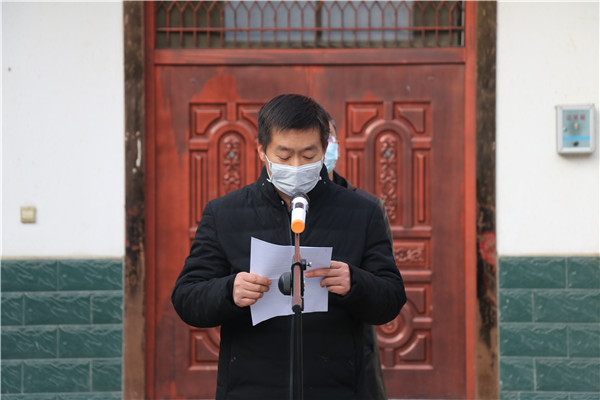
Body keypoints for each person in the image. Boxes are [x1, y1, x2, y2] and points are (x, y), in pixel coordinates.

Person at [171, 94, 406, 400]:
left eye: (308, 155)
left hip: (337, 387)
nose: (296, 166)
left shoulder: (363, 212)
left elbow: (392, 298)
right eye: (284, 156)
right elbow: (186, 298)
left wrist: (355, 283)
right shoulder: (224, 213)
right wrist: (229, 291)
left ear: (324, 150)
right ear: (262, 150)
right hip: (251, 387)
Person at [324, 114, 393, 400]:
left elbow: (387, 291)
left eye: (327, 139)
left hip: (350, 353)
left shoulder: (366, 207)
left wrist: (354, 282)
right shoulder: (254, 207)